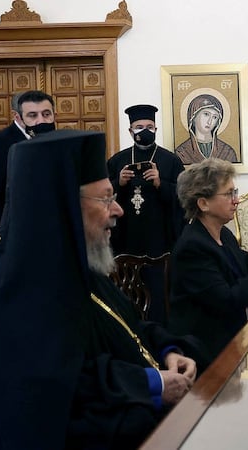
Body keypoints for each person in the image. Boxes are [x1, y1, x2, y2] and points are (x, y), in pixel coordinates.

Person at [0, 130, 202, 449]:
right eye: (106, 199)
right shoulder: (10, 293)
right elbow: (59, 393)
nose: (118, 211)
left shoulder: (82, 266)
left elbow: (131, 327)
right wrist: (151, 384)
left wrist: (170, 353)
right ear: (62, 208)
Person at [169, 158, 248, 363]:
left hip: (230, 338)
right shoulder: (192, 247)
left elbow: (240, 263)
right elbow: (227, 300)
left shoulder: (222, 233)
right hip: (205, 349)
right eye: (229, 194)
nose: (236, 200)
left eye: (234, 193)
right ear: (203, 203)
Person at [107, 104, 186, 323]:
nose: (145, 130)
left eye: (150, 126)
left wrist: (161, 184)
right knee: (127, 294)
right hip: (126, 237)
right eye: (139, 126)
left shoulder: (170, 161)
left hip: (159, 239)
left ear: (156, 129)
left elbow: (185, 198)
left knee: (159, 294)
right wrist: (118, 183)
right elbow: (101, 197)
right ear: (130, 131)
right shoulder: (117, 161)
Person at [0, 90, 54, 231]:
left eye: (46, 114)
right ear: (17, 116)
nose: (40, 121)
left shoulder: (54, 137)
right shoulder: (2, 142)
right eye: (32, 115)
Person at [175, 93, 238, 164]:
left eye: (214, 117)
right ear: (193, 117)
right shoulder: (182, 152)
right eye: (206, 114)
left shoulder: (227, 151)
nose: (210, 121)